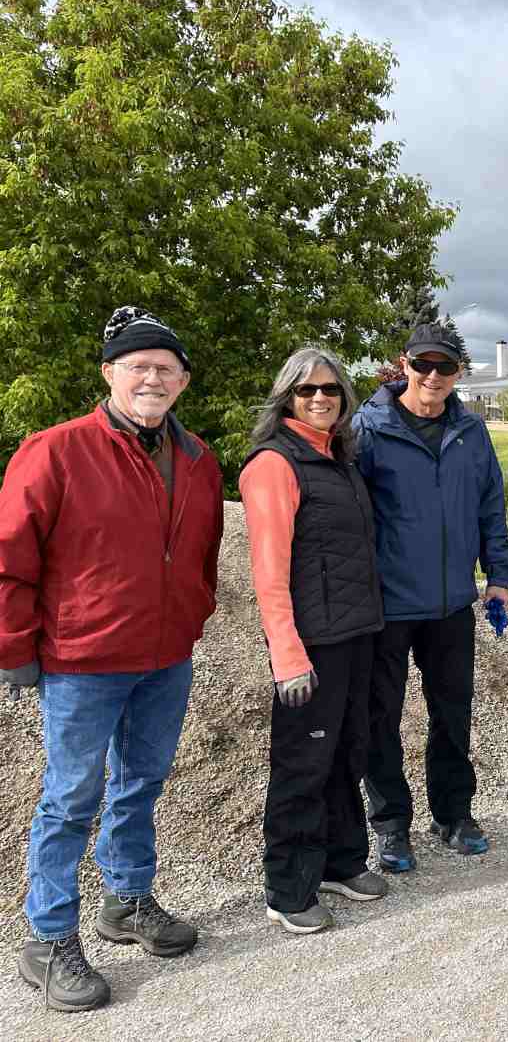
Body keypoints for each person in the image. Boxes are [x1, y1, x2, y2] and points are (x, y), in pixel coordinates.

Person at [0, 307, 222, 1012]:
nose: (151, 377)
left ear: (182, 381)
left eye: (165, 368)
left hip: (165, 657)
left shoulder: (197, 458)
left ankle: (125, 899)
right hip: (82, 660)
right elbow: (10, 559)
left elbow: (202, 552)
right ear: (109, 373)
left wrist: (193, 613)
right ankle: (49, 935)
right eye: (138, 366)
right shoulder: (55, 450)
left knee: (141, 781)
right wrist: (13, 650)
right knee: (70, 797)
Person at [353, 323, 508, 872]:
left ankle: (453, 813)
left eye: (445, 367)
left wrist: (499, 574)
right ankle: (392, 825)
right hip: (389, 603)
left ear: (458, 373)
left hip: (450, 603)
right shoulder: (368, 429)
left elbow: (492, 504)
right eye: (423, 364)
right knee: (382, 718)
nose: (433, 376)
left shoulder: (470, 432)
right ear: (404, 365)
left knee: (452, 713)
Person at [241, 349, 387, 934]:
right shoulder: (276, 465)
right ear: (287, 399)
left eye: (330, 389)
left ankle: (339, 860)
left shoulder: (339, 460)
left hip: (355, 635)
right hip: (311, 644)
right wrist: (287, 655)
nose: (319, 398)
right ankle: (288, 887)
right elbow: (269, 571)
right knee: (304, 764)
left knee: (349, 752)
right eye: (306, 391)